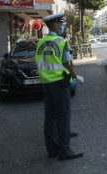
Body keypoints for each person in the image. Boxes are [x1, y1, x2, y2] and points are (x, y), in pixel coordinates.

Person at [35, 13, 85, 160]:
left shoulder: (40, 42)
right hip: (60, 83)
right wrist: (77, 77)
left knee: (50, 118)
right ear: (55, 25)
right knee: (63, 117)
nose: (62, 26)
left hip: (46, 84)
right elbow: (66, 63)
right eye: (61, 23)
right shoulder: (61, 42)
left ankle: (52, 150)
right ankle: (64, 150)